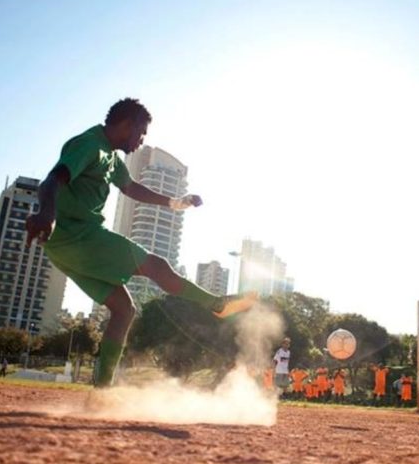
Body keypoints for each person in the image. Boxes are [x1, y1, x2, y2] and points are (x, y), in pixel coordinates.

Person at [25, 98, 257, 387]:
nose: (141, 140)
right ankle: (217, 304)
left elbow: (131, 187)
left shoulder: (110, 155)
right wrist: (46, 213)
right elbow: (51, 181)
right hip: (77, 236)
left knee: (124, 310)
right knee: (157, 266)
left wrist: (175, 203)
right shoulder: (90, 145)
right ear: (128, 125)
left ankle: (101, 391)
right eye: (142, 133)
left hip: (65, 246)